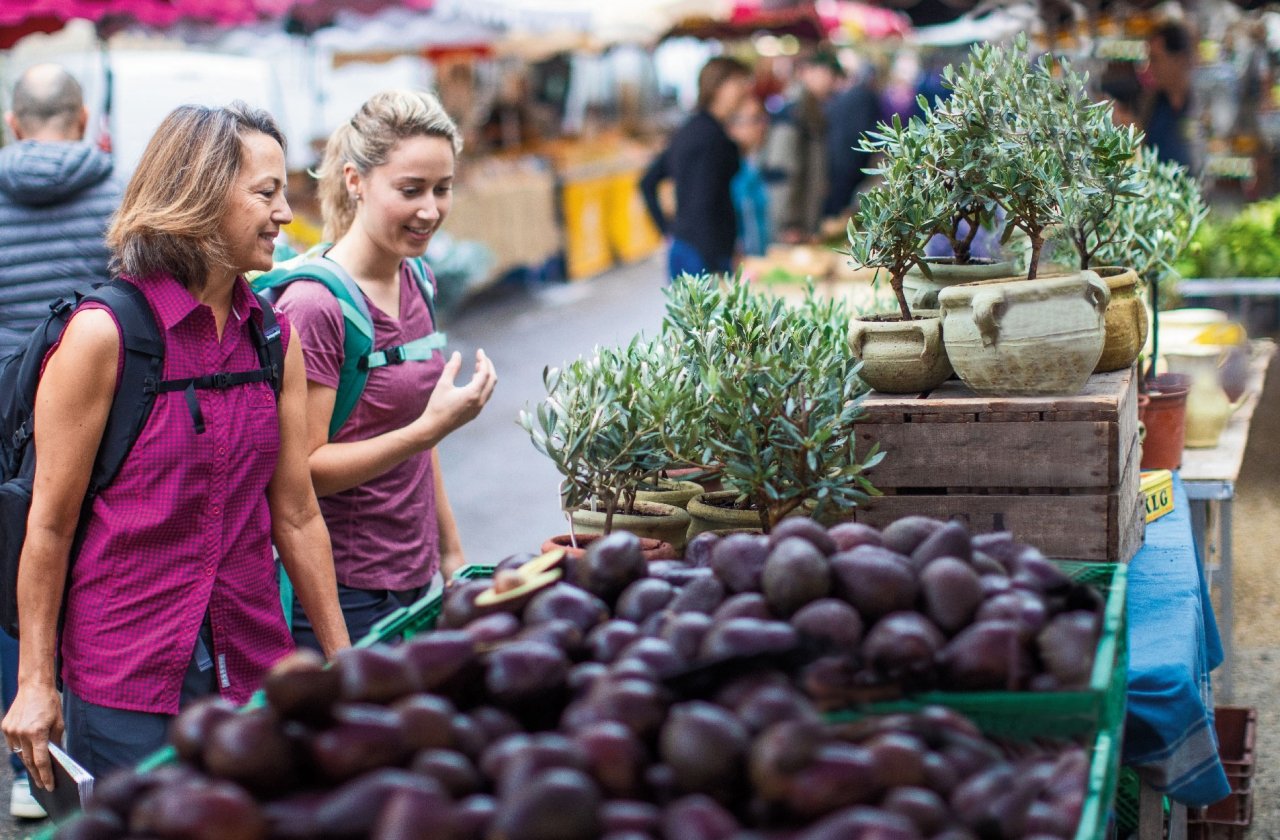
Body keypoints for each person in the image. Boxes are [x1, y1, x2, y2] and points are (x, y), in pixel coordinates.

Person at [1, 103, 351, 787]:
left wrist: (345, 661)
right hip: (125, 679)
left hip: (252, 664)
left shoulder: (274, 337)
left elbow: (299, 514)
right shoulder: (106, 336)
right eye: (266, 192)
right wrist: (36, 682)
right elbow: (48, 524)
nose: (286, 212)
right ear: (197, 194)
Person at [272, 90, 497, 650]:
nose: (430, 210)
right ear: (355, 181)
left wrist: (450, 553)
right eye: (410, 190)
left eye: (442, 189)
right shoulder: (314, 306)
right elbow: (303, 471)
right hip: (343, 589)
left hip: (415, 574)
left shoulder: (416, 277)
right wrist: (431, 427)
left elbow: (422, 439)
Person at [0, 63, 122, 820]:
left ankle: (29, 761)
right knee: (87, 570)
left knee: (12, 578)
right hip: (96, 425)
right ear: (82, 120)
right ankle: (86, 736)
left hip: (2, 426)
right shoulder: (116, 193)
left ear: (15, 125)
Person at [640, 56, 752, 279]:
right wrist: (717, 261)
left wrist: (669, 233)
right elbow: (706, 202)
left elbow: (648, 182)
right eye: (739, 82)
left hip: (686, 246)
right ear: (720, 87)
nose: (745, 90)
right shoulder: (711, 137)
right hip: (704, 253)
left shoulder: (691, 129)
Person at [762, 50, 843, 243]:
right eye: (828, 74)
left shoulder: (811, 109)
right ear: (807, 71)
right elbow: (781, 172)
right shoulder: (794, 111)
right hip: (791, 228)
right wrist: (789, 223)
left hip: (805, 221)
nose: (832, 82)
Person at [823, 62, 881, 221]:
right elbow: (866, 132)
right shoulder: (866, 97)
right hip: (850, 162)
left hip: (837, 159)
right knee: (840, 209)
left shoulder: (847, 95)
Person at [1141, 20, 1195, 168]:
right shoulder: (1149, 105)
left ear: (1179, 60)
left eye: (1155, 59)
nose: (1149, 67)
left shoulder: (1203, 106)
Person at [727, 96, 772, 258]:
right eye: (754, 120)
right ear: (733, 127)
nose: (762, 126)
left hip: (759, 261)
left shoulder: (754, 165)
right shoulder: (729, 170)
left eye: (762, 118)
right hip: (739, 266)